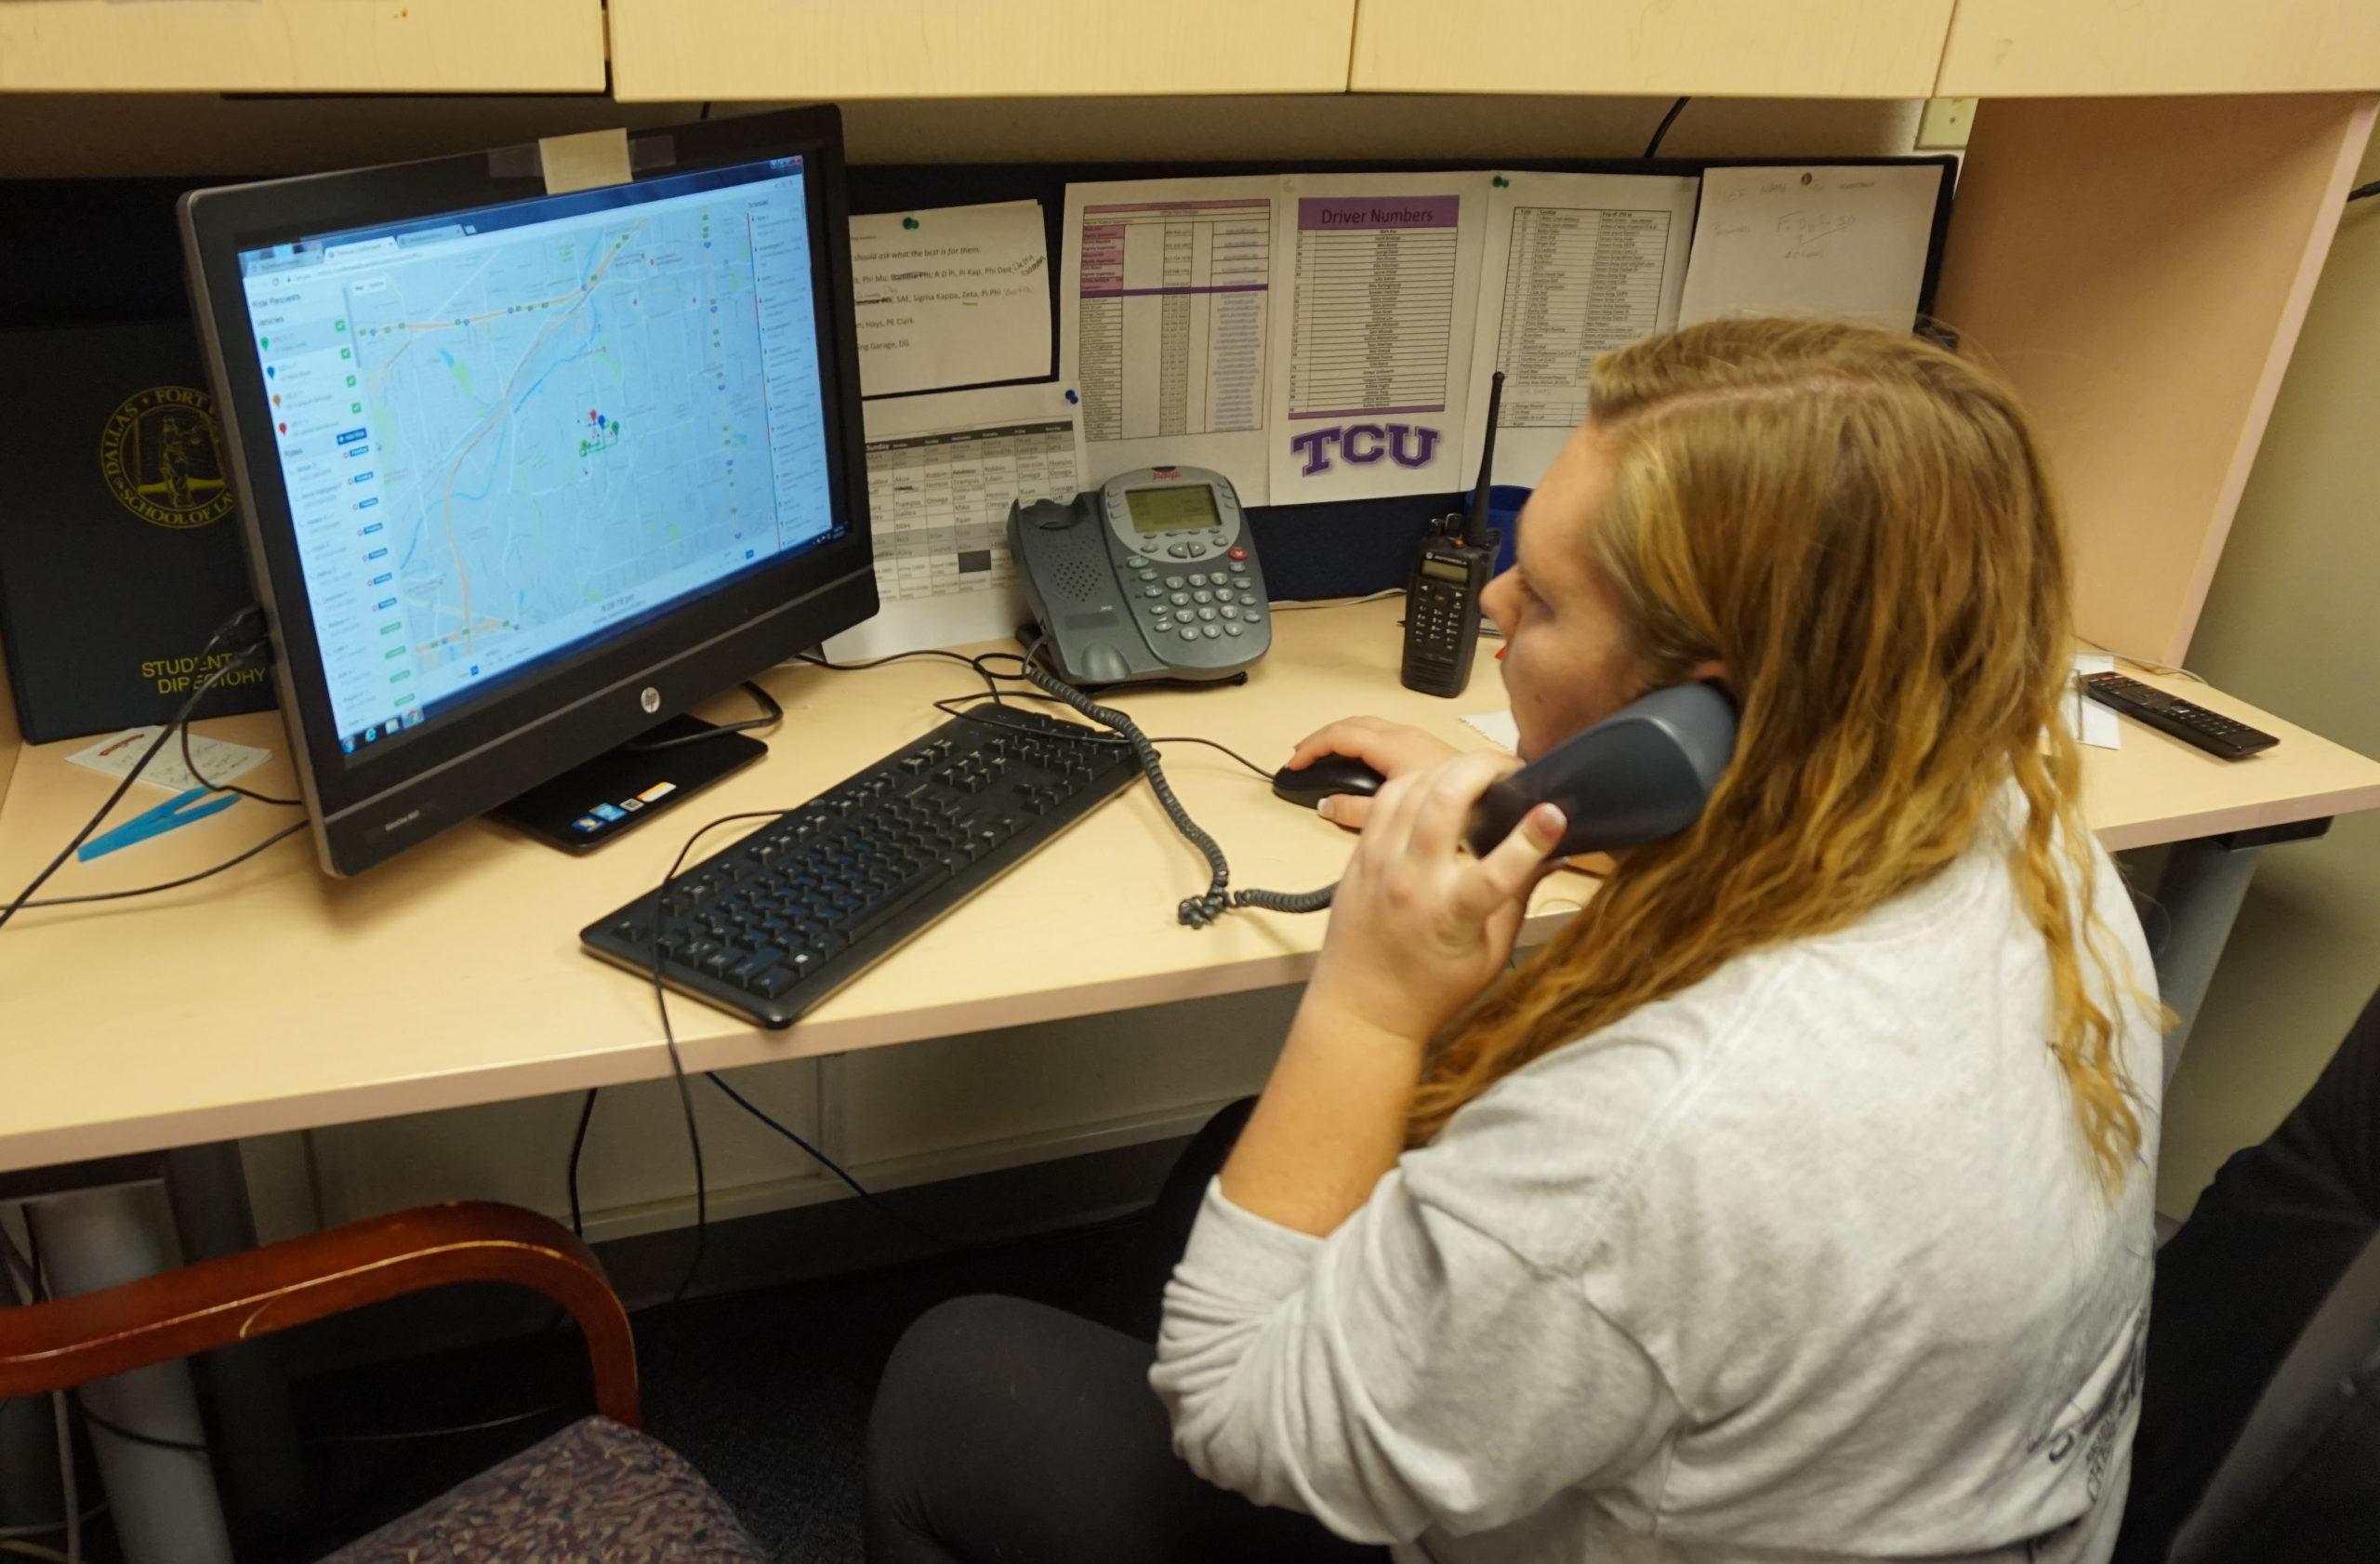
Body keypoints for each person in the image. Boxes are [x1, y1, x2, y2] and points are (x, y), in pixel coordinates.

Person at [864, 317, 2165, 1564]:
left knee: (955, 1378)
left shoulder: (1671, 1128)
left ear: (1693, 716)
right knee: (1232, 1157)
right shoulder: (2021, 834)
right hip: (1919, 1502)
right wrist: (1535, 803)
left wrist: (1368, 1003)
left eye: (1541, 600)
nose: (1490, 600)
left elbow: (1235, 1417)